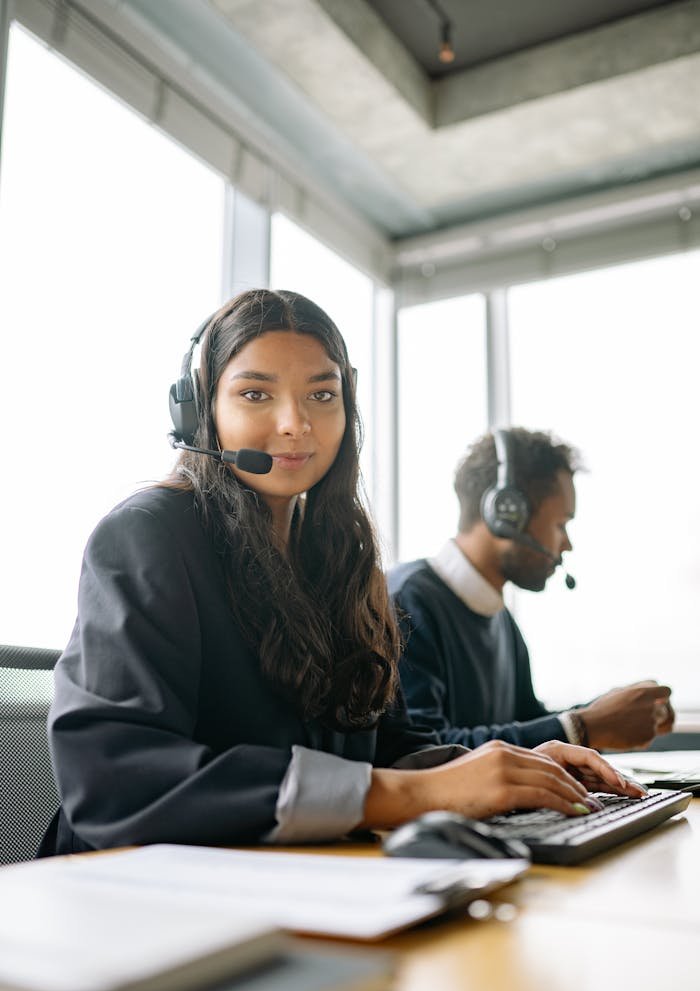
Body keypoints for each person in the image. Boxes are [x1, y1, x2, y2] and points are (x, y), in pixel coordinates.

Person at [40, 296, 642, 858]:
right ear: (201, 410)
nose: (295, 423)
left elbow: (384, 747)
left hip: (292, 874)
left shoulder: (339, 558)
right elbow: (114, 777)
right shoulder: (148, 534)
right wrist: (408, 795)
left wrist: (507, 768)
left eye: (322, 395)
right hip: (133, 890)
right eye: (255, 394)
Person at [388, 427, 674, 751]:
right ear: (507, 514)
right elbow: (424, 752)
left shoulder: (499, 618)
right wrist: (581, 727)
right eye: (560, 524)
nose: (567, 544)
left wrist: (607, 715)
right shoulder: (408, 604)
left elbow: (525, 723)